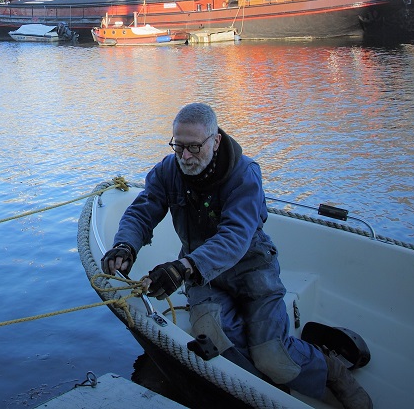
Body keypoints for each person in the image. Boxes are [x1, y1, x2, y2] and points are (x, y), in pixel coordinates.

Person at [101, 102, 372, 409]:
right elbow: (142, 211)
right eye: (178, 147)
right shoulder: (168, 170)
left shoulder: (245, 174)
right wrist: (125, 246)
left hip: (253, 269)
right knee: (216, 343)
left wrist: (184, 267)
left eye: (193, 147)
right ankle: (268, 390)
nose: (185, 156)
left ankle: (330, 368)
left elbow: (235, 237)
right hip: (203, 275)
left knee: (273, 355)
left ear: (215, 141)